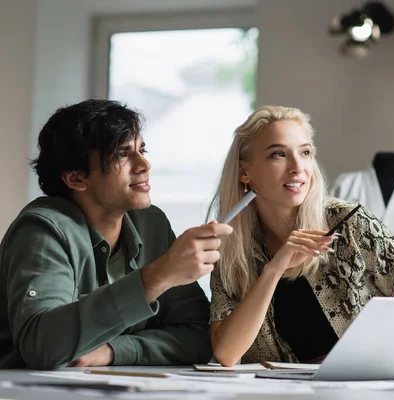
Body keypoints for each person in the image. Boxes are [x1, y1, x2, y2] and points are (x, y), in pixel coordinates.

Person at [208, 105, 394, 371]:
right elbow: (227, 353)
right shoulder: (231, 249)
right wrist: (273, 270)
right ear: (245, 172)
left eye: (305, 152)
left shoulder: (351, 225)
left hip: (376, 386)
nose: (297, 167)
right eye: (278, 154)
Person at [0, 99, 232, 369]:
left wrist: (113, 351)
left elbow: (199, 337)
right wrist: (158, 275)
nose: (144, 164)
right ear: (77, 179)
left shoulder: (151, 222)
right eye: (122, 154)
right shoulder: (42, 230)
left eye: (141, 149)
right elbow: (43, 346)